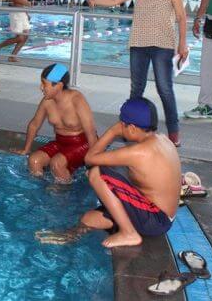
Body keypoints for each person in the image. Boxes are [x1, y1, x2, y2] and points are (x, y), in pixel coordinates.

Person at [36, 98, 181, 248]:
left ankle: (128, 233)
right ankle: (69, 237)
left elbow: (90, 159)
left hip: (154, 220)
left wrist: (112, 132)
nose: (119, 127)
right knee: (89, 219)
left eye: (121, 124)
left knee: (97, 173)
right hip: (160, 217)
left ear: (131, 128)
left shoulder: (138, 152)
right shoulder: (163, 140)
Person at [90, 0, 188, 146]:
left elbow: (181, 16)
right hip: (138, 44)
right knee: (136, 89)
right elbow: (115, 0)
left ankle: (173, 132)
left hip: (163, 45)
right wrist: (94, 0)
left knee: (165, 89)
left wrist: (182, 43)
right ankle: (130, 128)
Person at [12, 64, 97, 183]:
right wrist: (26, 149)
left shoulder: (76, 99)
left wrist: (94, 162)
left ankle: (63, 194)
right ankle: (39, 191)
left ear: (58, 85)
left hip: (83, 143)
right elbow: (34, 124)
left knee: (56, 164)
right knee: (34, 160)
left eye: (44, 84)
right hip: (60, 142)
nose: (41, 87)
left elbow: (91, 131)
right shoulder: (47, 101)